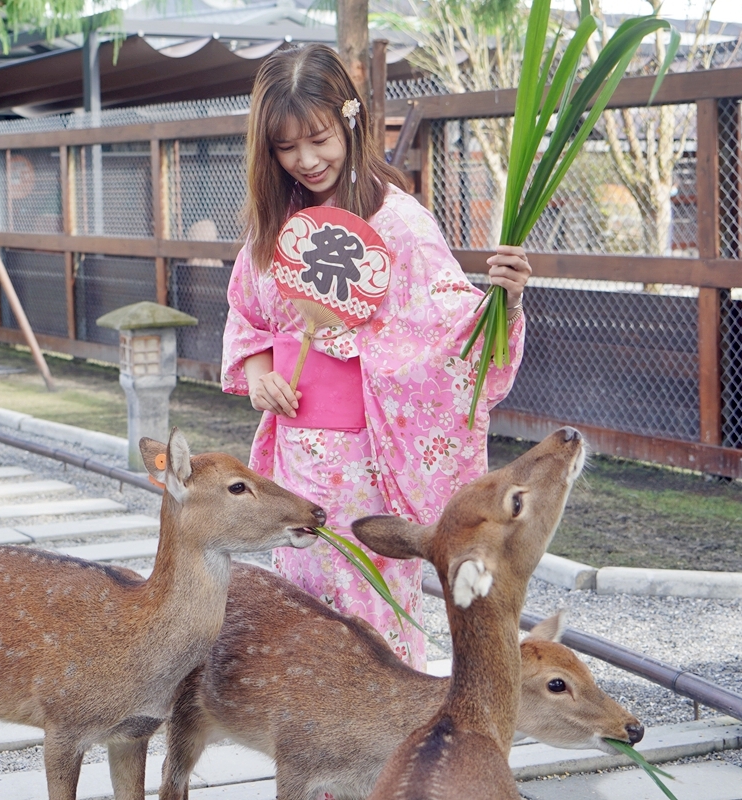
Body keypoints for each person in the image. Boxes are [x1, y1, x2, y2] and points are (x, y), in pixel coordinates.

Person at [221, 44, 531, 670]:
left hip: (369, 462)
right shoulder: (273, 224)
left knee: (372, 609)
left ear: (352, 120)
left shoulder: (400, 224)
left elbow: (454, 337)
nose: (306, 160)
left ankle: (383, 747)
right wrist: (261, 377)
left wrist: (506, 300)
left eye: (319, 138)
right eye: (286, 147)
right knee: (300, 602)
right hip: (294, 461)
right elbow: (247, 317)